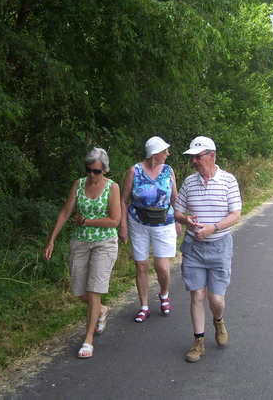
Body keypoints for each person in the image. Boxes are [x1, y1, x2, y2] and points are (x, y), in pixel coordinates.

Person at [43, 148, 121, 359]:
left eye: (96, 171)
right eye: (89, 170)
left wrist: (87, 221)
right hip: (80, 241)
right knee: (79, 291)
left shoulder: (112, 187)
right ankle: (102, 311)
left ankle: (88, 340)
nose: (91, 175)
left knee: (94, 290)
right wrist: (51, 240)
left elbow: (115, 220)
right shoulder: (78, 184)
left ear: (104, 169)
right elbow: (65, 212)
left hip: (104, 243)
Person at [174, 136, 242, 363]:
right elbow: (177, 212)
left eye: (198, 157)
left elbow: (235, 215)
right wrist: (186, 221)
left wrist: (213, 228)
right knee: (197, 294)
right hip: (194, 247)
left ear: (211, 156)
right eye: (192, 157)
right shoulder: (189, 183)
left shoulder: (229, 181)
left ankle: (219, 320)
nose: (194, 161)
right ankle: (199, 341)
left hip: (219, 246)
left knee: (215, 298)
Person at [119, 137, 181, 323]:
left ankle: (164, 294)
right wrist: (123, 226)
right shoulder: (134, 171)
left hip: (164, 223)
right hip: (138, 222)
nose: (168, 154)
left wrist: (178, 221)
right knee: (141, 265)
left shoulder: (169, 171)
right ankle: (144, 306)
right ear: (155, 153)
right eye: (165, 151)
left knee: (161, 266)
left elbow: (175, 199)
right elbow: (123, 200)